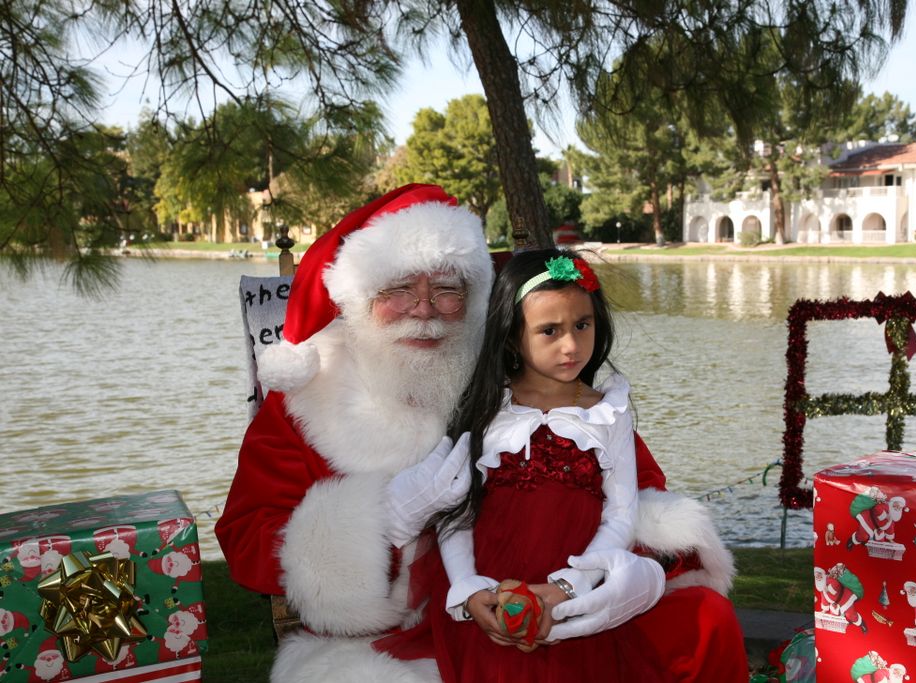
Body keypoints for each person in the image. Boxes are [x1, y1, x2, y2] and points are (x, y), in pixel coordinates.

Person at [215, 183, 747, 682]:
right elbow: (246, 536)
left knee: (700, 621)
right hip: (391, 633)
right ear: (357, 297)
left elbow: (640, 488)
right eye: (398, 289)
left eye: (447, 289)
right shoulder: (311, 399)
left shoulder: (524, 372)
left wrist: (636, 574)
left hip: (562, 596)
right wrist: (383, 522)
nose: (424, 308)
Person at [373, 248, 669, 681]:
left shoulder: (609, 411)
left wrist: (573, 584)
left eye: (582, 325)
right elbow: (458, 512)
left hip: (571, 592)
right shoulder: (487, 407)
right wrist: (469, 587)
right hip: (494, 591)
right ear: (513, 336)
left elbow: (621, 514)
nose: (571, 345)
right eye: (549, 330)